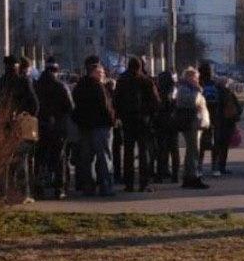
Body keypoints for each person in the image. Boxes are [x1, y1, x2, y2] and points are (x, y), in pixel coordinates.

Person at [0, 55, 40, 199]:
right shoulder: (23, 82)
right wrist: (27, 116)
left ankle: (0, 194)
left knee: (2, 161)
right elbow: (35, 104)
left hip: (1, 126)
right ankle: (21, 194)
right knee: (21, 160)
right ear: (17, 67)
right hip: (20, 126)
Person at [113, 56, 160, 191]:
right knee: (143, 152)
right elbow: (156, 102)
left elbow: (116, 100)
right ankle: (143, 183)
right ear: (140, 66)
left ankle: (129, 184)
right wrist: (149, 116)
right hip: (143, 121)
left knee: (128, 152)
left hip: (128, 120)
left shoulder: (122, 80)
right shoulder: (145, 81)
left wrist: (120, 115)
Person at [71, 56, 116, 197]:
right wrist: (113, 120)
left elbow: (74, 107)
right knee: (104, 157)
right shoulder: (98, 87)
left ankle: (88, 187)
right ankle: (106, 186)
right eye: (100, 71)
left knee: (87, 159)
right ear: (94, 71)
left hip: (85, 126)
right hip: (101, 126)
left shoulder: (79, 86)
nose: (103, 73)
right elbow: (106, 107)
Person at [35, 57, 74, 198]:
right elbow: (71, 107)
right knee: (59, 158)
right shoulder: (61, 86)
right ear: (56, 70)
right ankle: (60, 189)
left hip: (41, 126)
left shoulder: (36, 85)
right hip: (58, 127)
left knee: (40, 158)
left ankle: (38, 188)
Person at [175, 66, 210, 189]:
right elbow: (192, 102)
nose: (197, 80)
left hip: (195, 123)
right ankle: (192, 176)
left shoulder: (189, 88)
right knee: (193, 150)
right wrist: (197, 91)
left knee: (193, 150)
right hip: (190, 123)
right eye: (196, 78)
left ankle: (191, 175)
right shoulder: (185, 89)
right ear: (190, 77)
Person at [212, 76, 243, 175]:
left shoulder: (214, 93)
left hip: (217, 122)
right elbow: (237, 108)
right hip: (228, 122)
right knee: (224, 146)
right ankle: (222, 166)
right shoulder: (228, 94)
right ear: (226, 84)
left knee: (217, 146)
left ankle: (215, 167)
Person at [153, 68, 180, 183]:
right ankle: (175, 175)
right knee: (174, 149)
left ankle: (160, 174)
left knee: (161, 149)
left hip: (161, 121)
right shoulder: (174, 90)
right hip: (173, 121)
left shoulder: (158, 91)